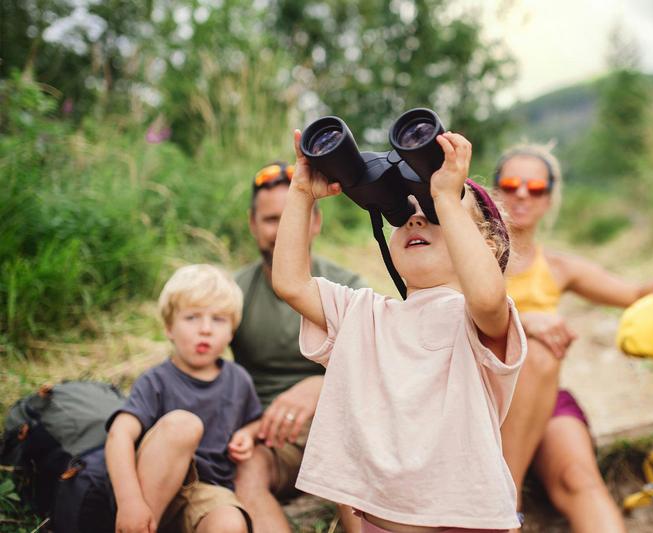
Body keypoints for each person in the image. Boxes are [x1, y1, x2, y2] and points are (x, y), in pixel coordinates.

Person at [272, 129, 526, 533]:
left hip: (469, 523)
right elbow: (290, 282)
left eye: (433, 212)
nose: (416, 217)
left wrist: (446, 195)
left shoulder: (476, 320)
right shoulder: (363, 315)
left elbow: (488, 297)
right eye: (403, 215)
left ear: (489, 248)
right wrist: (300, 192)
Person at [493, 143, 653, 533]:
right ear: (493, 193)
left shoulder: (558, 267)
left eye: (535, 187)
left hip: (541, 397)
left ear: (549, 197)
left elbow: (637, 294)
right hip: (480, 397)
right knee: (538, 347)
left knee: (579, 478)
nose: (522, 194)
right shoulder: (469, 258)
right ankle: (504, 504)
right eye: (510, 183)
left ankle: (504, 500)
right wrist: (518, 321)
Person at [68, 264, 263, 533]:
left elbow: (255, 420)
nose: (205, 329)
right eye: (192, 317)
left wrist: (247, 435)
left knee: (230, 523)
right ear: (169, 328)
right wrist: (130, 501)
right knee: (183, 424)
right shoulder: (156, 380)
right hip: (153, 492)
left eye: (218, 319)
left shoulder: (238, 379)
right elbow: (119, 435)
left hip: (208, 493)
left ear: (231, 332)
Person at [230, 162, 366, 533]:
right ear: (253, 224)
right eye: (272, 219)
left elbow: (379, 365)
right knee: (247, 471)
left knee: (351, 449)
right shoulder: (233, 291)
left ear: (316, 222)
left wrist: (320, 386)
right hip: (271, 437)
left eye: (293, 215)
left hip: (341, 424)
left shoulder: (347, 284)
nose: (280, 231)